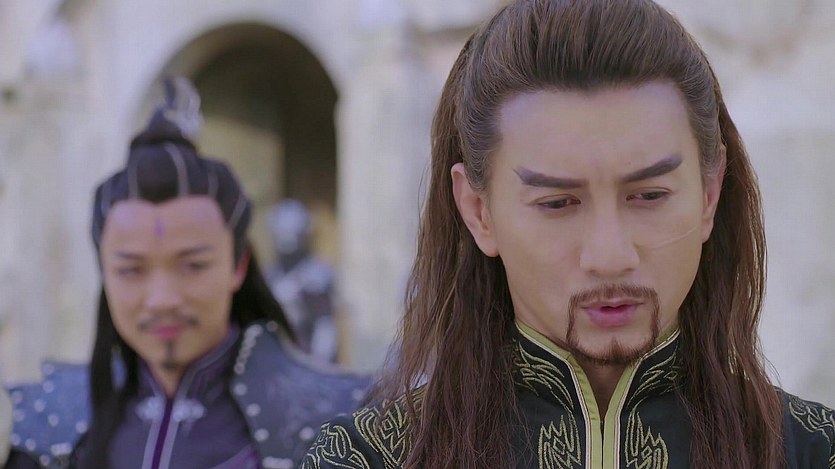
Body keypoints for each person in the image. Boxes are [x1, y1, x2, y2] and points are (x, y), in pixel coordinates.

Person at [302, 1, 835, 468]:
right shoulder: (370, 458)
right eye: (558, 203)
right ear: (479, 211)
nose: (610, 256)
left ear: (710, 193)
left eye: (649, 196)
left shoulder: (813, 451)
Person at [5, 77, 368, 469]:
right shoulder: (43, 426)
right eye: (131, 269)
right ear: (104, 273)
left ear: (238, 265)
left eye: (193, 265)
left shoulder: (338, 423)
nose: (162, 299)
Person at [266, 199, 339, 363]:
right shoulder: (270, 275)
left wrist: (319, 364)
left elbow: (325, 327)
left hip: (307, 356)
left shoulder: (317, 274)